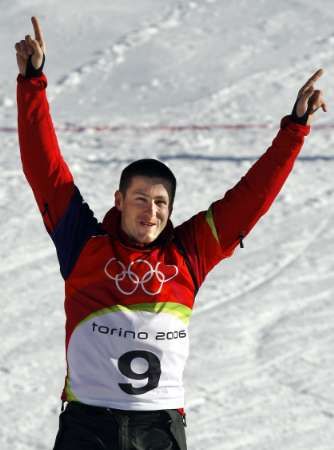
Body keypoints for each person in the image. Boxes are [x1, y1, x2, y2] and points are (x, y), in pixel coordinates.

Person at [15, 16, 327, 450]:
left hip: (158, 429)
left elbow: (249, 199)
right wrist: (33, 82)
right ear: (119, 201)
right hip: (88, 426)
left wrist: (294, 130)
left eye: (161, 203)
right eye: (141, 198)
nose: (152, 210)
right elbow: (44, 170)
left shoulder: (189, 252)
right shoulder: (83, 243)